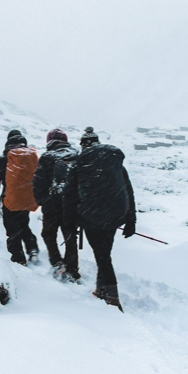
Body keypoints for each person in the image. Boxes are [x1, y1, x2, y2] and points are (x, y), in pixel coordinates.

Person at [63, 127, 136, 311]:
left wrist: (68, 223)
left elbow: (69, 197)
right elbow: (128, 191)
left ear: (83, 146)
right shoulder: (115, 163)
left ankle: (112, 297)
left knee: (102, 256)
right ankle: (101, 289)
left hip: (91, 215)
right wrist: (130, 220)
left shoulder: (79, 163)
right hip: (114, 215)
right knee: (104, 253)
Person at [0, 129, 40, 265]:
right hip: (26, 199)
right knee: (24, 224)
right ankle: (32, 248)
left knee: (11, 229)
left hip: (10, 198)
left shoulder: (4, 159)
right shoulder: (30, 159)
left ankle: (18, 258)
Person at [33, 129, 79, 278]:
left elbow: (39, 182)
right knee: (70, 237)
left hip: (52, 205)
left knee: (48, 234)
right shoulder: (77, 155)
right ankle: (72, 269)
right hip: (71, 205)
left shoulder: (47, 156)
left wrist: (42, 201)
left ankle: (57, 263)